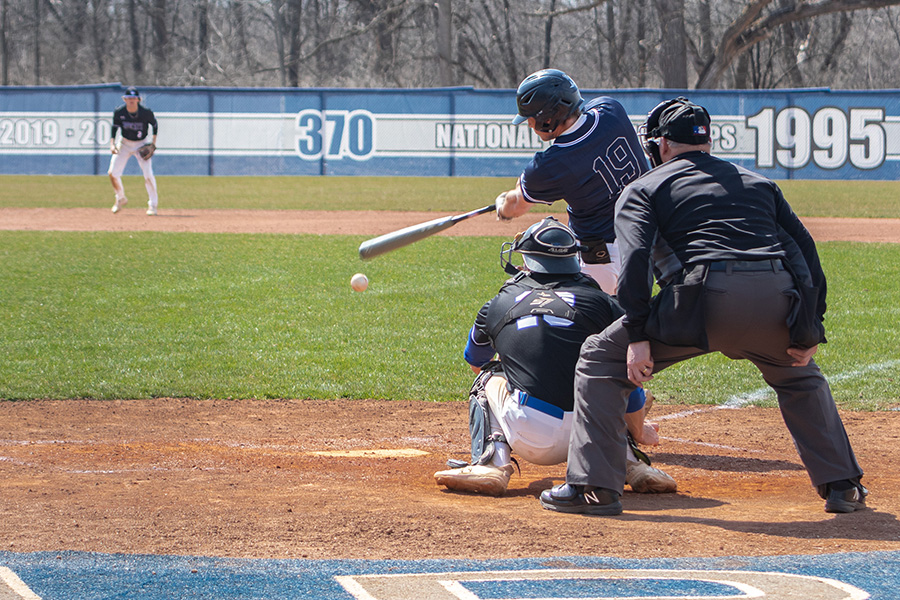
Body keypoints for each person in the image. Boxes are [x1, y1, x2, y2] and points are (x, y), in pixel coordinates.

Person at [539, 97, 866, 516]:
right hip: (775, 301)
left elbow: (636, 263)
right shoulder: (759, 183)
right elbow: (805, 253)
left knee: (599, 360)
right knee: (801, 376)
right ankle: (844, 486)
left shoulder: (643, 188)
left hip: (700, 302)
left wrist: (637, 335)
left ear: (660, 146)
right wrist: (809, 327)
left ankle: (594, 489)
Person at [433, 217, 676, 497]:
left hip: (530, 435)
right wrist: (639, 429)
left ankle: (491, 463)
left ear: (528, 262)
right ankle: (632, 463)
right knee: (610, 371)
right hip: (592, 438)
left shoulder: (496, 304)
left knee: (489, 374)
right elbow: (629, 376)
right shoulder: (603, 303)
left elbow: (475, 360)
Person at [493, 69, 649, 295]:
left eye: (532, 118)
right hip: (645, 247)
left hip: (600, 260)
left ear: (549, 118)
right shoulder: (611, 109)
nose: (529, 124)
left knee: (585, 327)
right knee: (630, 322)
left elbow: (516, 205)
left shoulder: (552, 163)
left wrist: (502, 207)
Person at [108, 87, 160, 216]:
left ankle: (153, 205)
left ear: (138, 100)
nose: (131, 101)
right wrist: (112, 144)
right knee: (112, 173)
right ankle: (120, 198)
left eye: (134, 98)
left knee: (148, 174)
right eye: (129, 98)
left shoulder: (145, 112)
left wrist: (153, 143)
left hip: (141, 144)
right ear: (124, 99)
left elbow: (154, 125)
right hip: (124, 143)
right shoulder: (119, 112)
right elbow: (114, 129)